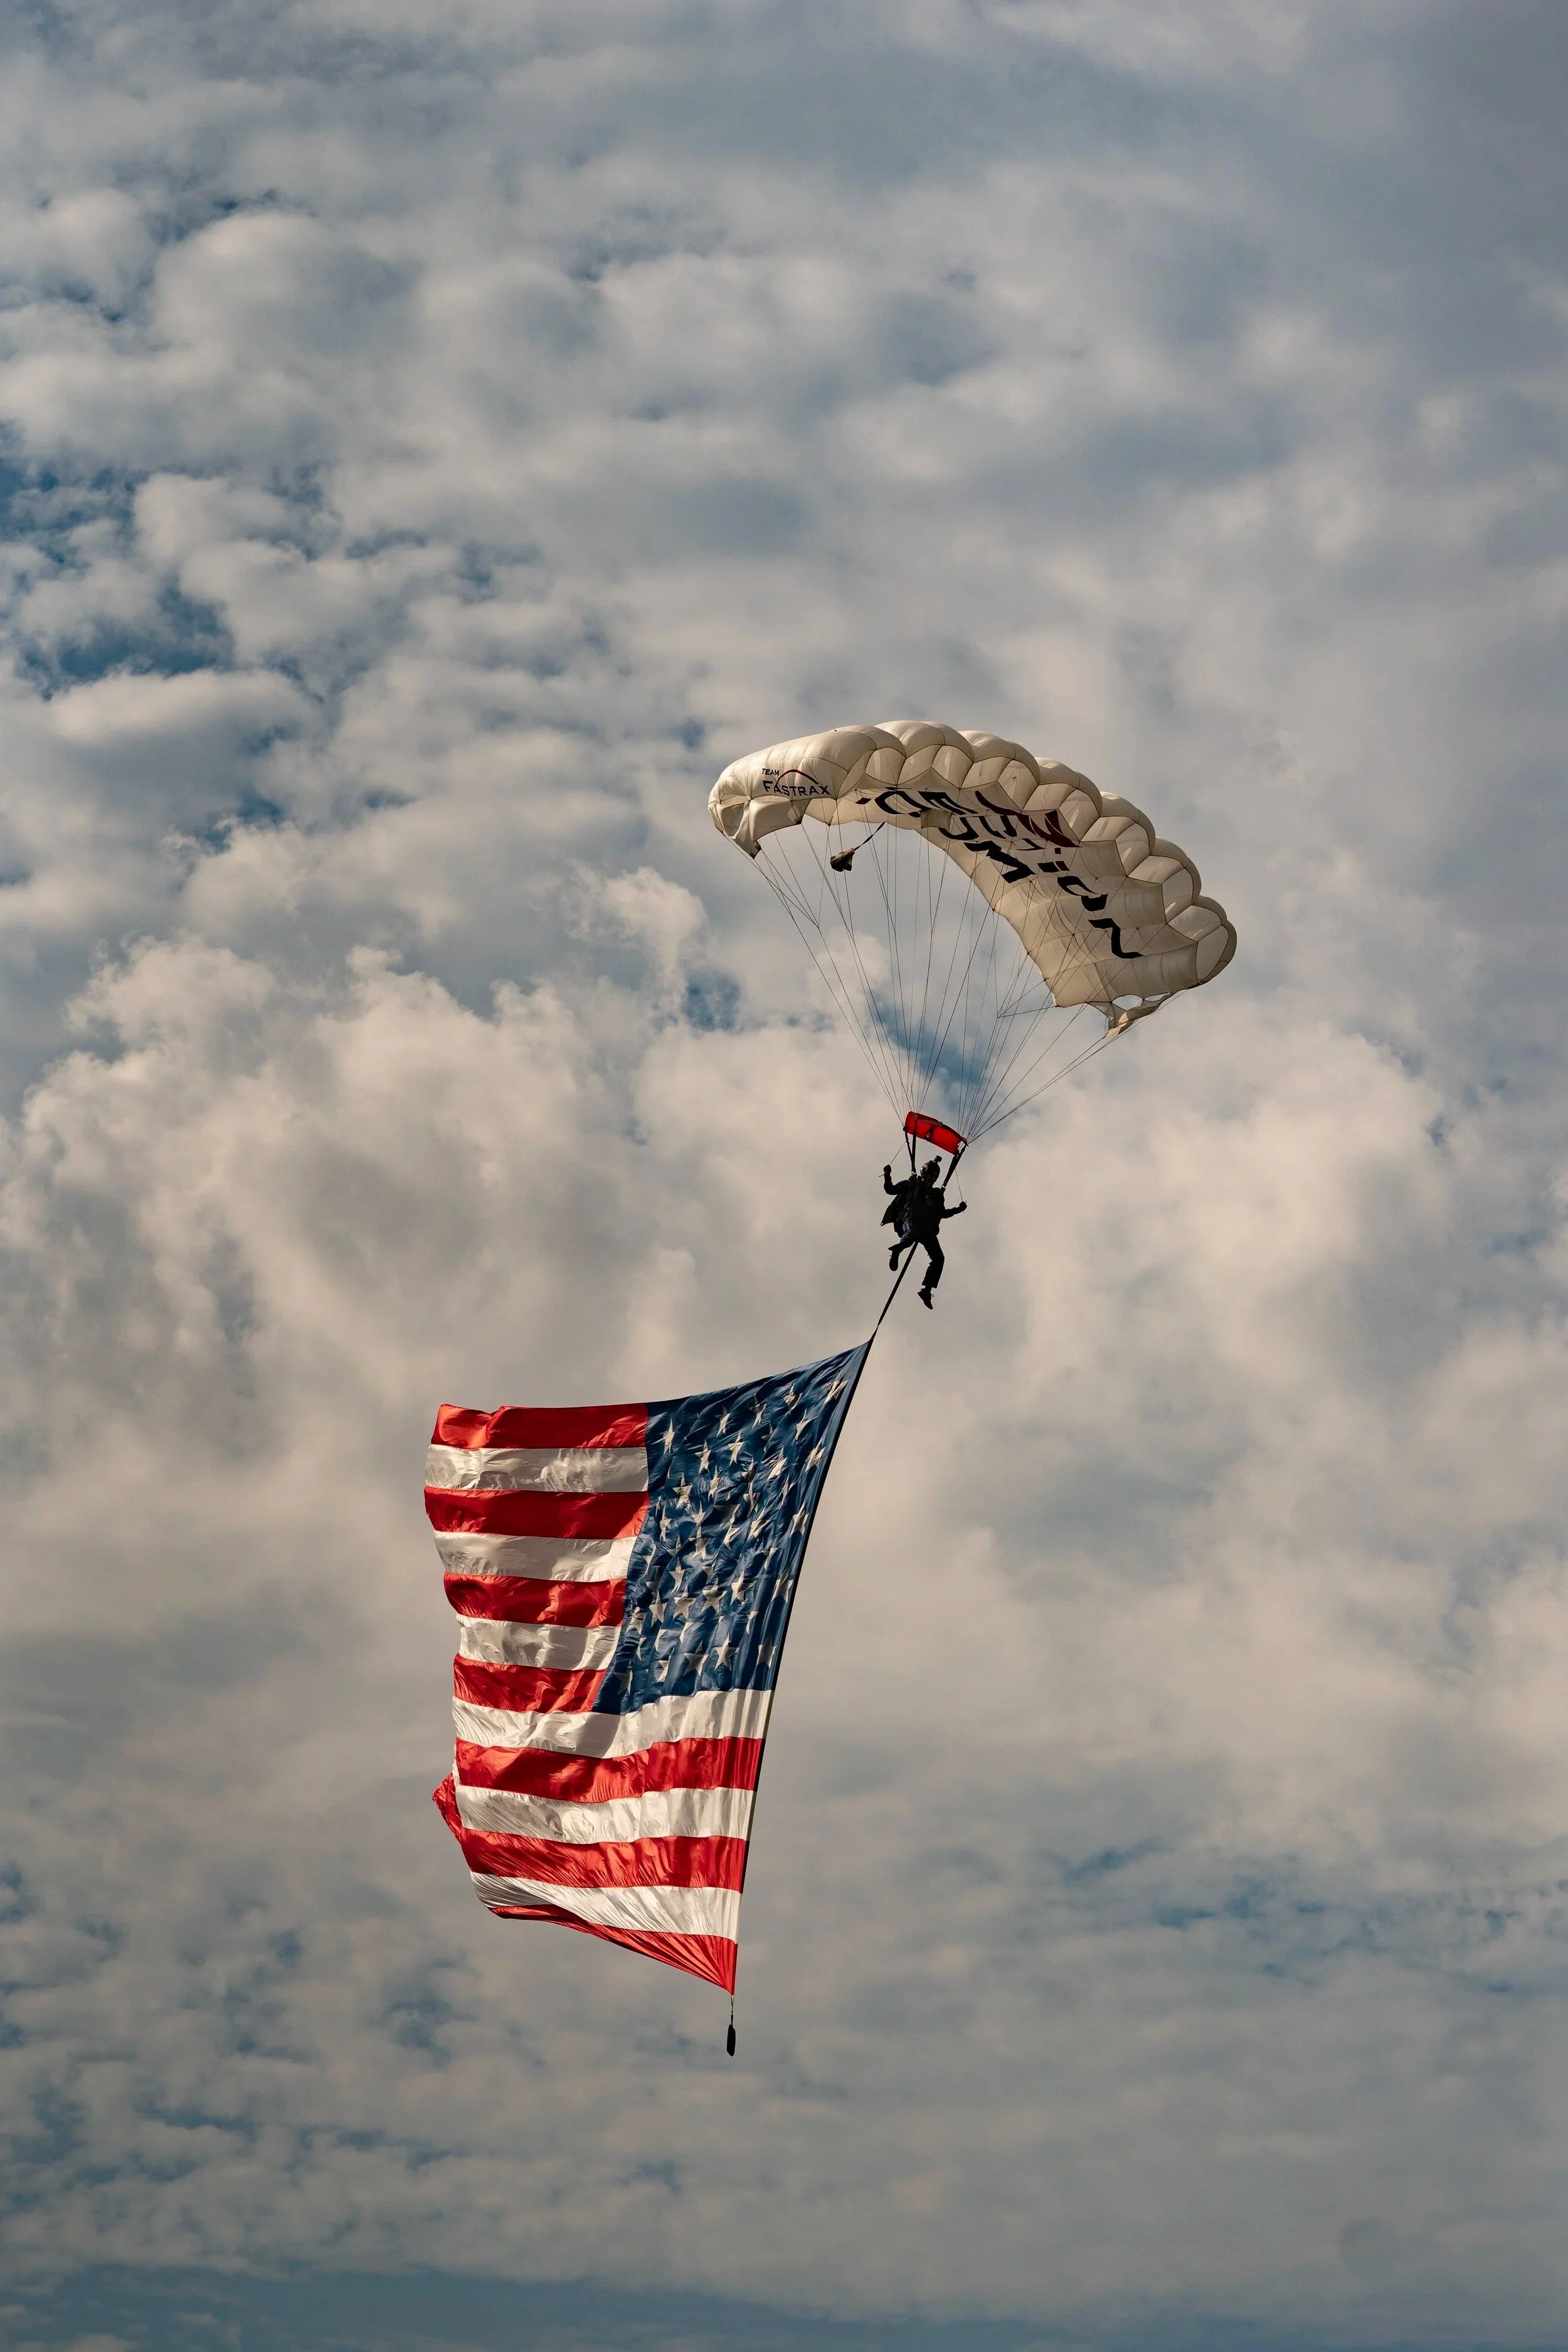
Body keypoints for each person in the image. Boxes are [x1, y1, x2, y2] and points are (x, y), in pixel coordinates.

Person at [881, 1157, 967, 1308]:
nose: (932, 1179)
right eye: (930, 1175)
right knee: (912, 1234)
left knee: (939, 1259)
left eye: (935, 1177)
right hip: (908, 1221)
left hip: (926, 1229)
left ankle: (926, 1291)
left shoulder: (936, 1195)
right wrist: (887, 1175)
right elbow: (890, 1190)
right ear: (924, 1173)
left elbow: (942, 1213)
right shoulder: (911, 1185)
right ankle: (897, 1251)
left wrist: (958, 1210)